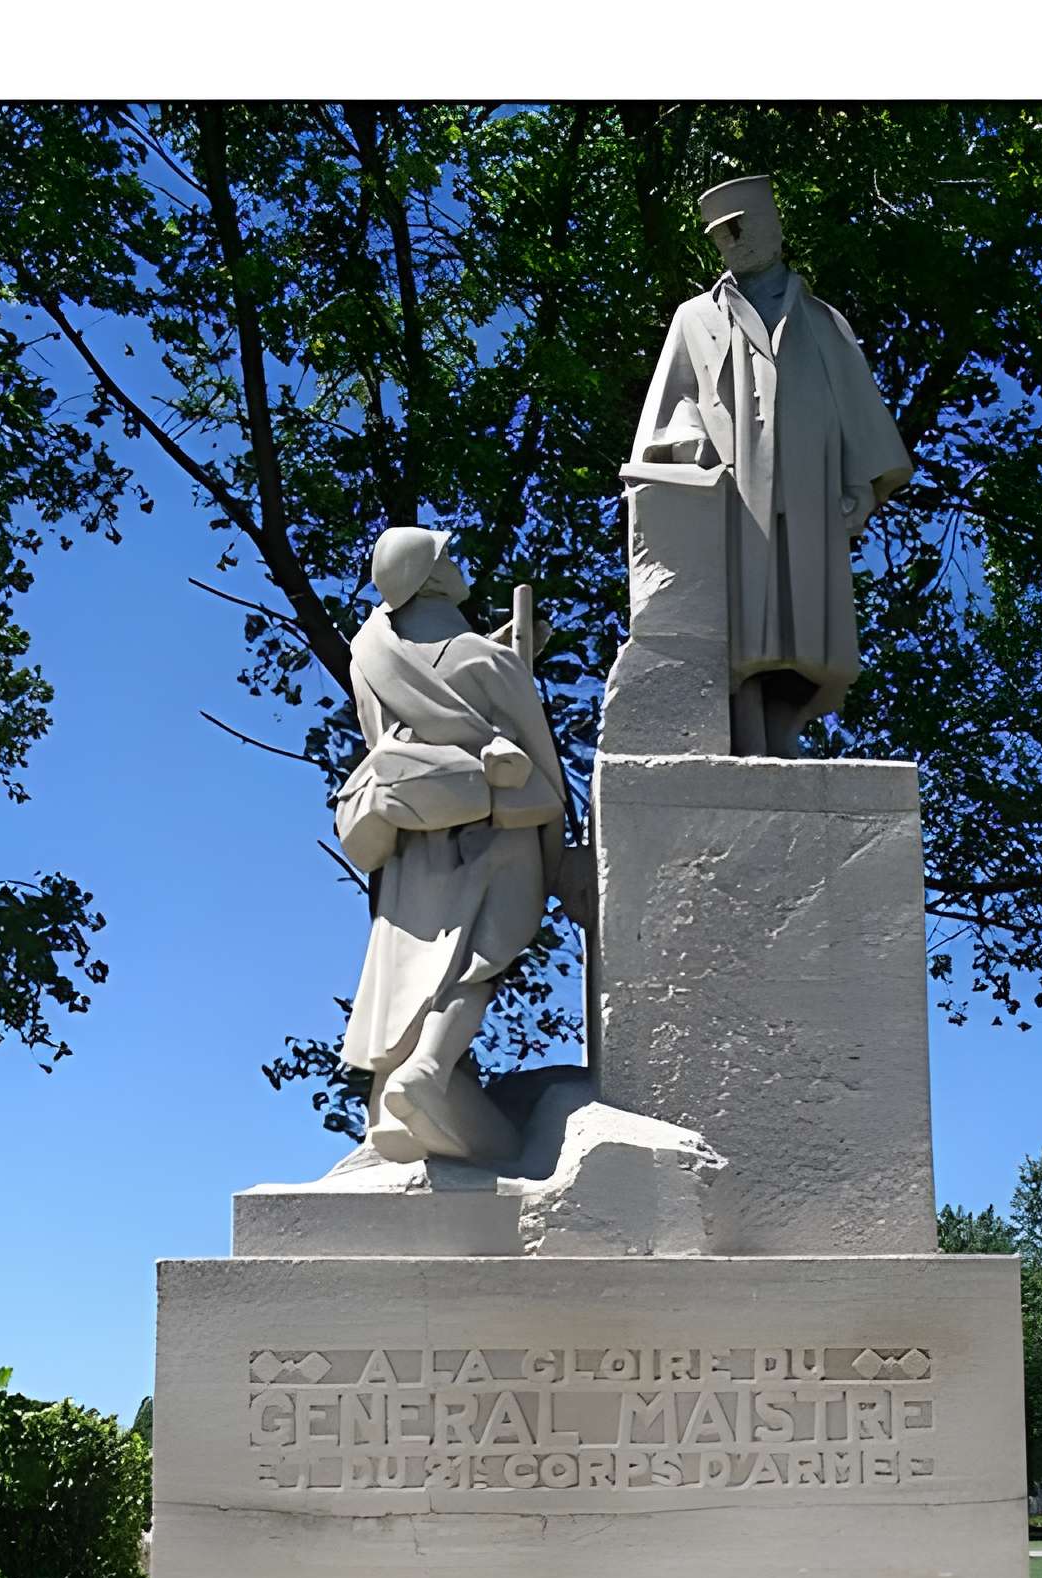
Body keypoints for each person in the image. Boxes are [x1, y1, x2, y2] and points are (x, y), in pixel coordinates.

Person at [630, 175, 912, 756]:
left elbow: (854, 408)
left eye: (744, 227)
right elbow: (675, 400)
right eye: (722, 235)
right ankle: (743, 734)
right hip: (732, 496)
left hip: (808, 494)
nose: (736, 241)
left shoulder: (823, 320)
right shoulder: (694, 318)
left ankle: (786, 732)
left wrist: (858, 481)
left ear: (777, 227)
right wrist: (686, 441)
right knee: (738, 626)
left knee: (805, 626)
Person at [331, 527, 566, 1162]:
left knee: (416, 968)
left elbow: (424, 699)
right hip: (496, 833)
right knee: (477, 962)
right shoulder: (488, 663)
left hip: (413, 840)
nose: (458, 565)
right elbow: (538, 763)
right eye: (447, 557)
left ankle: (394, 1106)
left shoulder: (368, 658)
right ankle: (428, 1071)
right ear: (431, 575)